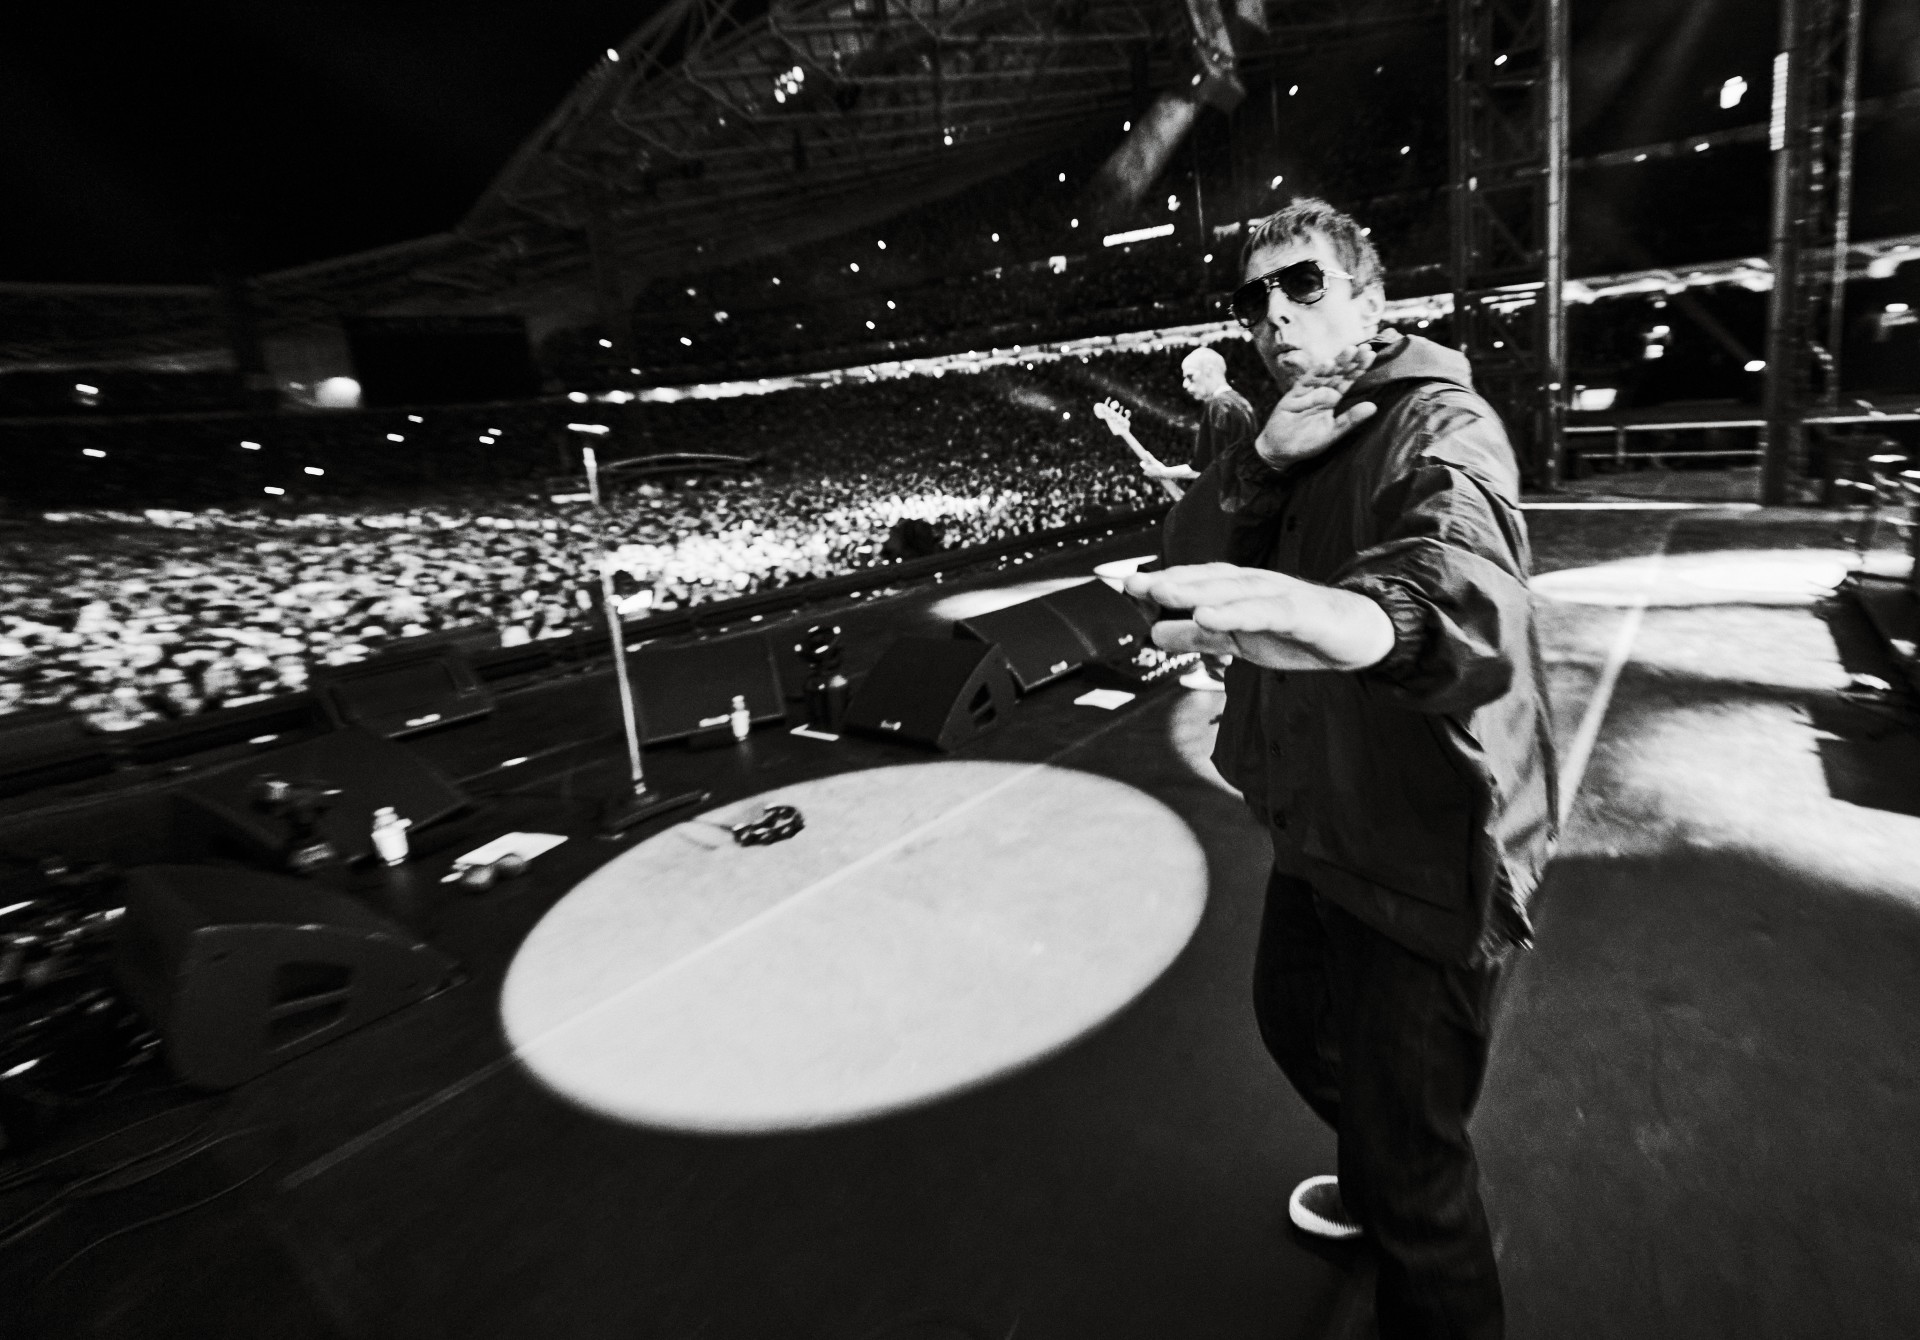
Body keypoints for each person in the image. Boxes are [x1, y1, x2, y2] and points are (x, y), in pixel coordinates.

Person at [1125, 197, 1558, 1340]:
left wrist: (1379, 619)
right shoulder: (1281, 435)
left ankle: (1402, 1183)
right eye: (1254, 297)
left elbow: (1463, 569)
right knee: (1291, 1017)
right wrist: (1260, 463)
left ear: (1369, 299)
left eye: (1304, 283)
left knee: (1424, 1185)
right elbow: (1185, 564)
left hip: (1425, 845)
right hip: (1321, 817)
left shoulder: (1437, 418)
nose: (1274, 312)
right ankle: (1382, 1163)